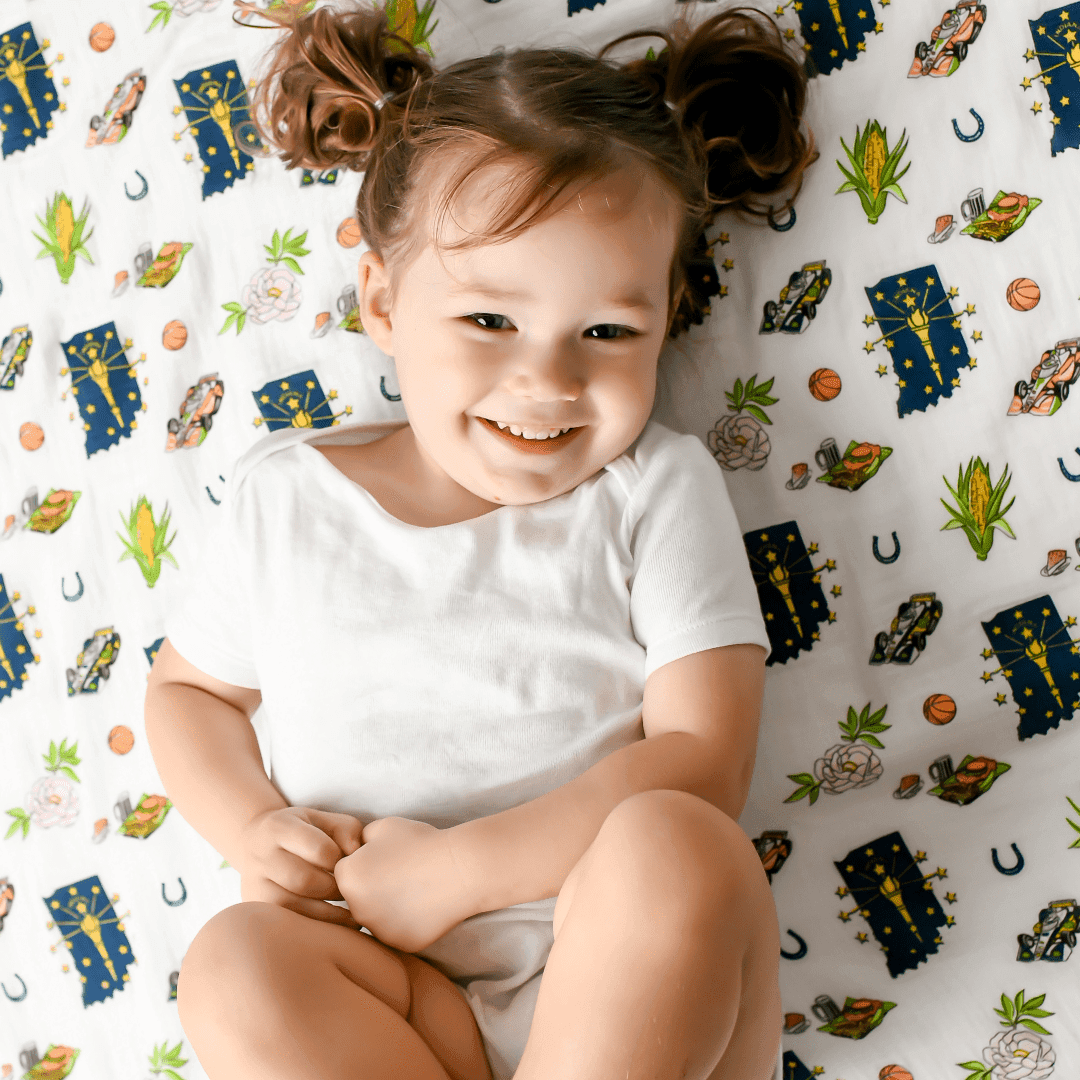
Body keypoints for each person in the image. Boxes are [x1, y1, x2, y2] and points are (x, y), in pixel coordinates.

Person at [144, 2, 817, 1078]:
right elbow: (188, 697)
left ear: (667, 318)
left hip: (624, 983)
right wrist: (251, 828)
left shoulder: (651, 488)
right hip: (394, 998)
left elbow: (704, 759)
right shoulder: (287, 499)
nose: (547, 381)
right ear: (382, 298)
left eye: (607, 332)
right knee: (234, 962)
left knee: (677, 844)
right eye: (490, 321)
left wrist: (463, 871)